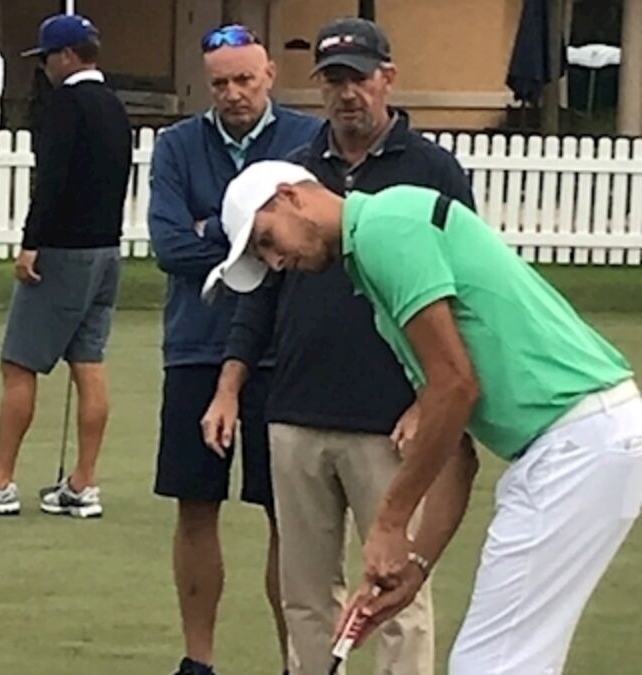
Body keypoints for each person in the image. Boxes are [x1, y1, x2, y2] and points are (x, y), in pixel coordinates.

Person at [206, 159, 642, 675]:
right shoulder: (376, 263)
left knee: (490, 664)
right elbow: (457, 452)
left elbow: (456, 387)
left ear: (290, 196)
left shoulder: (385, 229)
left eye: (266, 240)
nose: (276, 261)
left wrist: (390, 521)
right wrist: (414, 566)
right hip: (582, 443)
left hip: (576, 443)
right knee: (510, 661)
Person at [200, 18, 474, 675]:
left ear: (388, 79)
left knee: (395, 594)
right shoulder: (296, 173)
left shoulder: (433, 169)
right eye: (332, 81)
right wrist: (230, 385)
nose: (346, 93)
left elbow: (459, 292)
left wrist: (426, 402)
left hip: (388, 419)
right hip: (296, 407)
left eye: (358, 78)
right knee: (304, 593)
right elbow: (260, 291)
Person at [147, 24, 320, 675]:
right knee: (195, 503)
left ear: (269, 73)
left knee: (287, 515)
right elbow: (170, 247)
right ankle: (198, 661)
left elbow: (311, 242)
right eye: (220, 83)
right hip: (196, 344)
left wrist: (213, 228)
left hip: (282, 350)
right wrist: (257, 236)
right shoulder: (177, 146)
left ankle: (295, 662)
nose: (233, 93)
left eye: (245, 79)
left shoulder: (307, 139)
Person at [0, 13, 131, 518]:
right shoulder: (114, 105)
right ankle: (83, 483)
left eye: (46, 58)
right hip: (107, 249)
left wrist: (31, 243)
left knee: (19, 363)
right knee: (89, 363)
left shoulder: (66, 104)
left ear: (66, 55)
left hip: (63, 249)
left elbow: (53, 180)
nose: (43, 68)